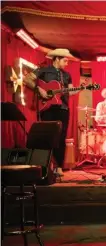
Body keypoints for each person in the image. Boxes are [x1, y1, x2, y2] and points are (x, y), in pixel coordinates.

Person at [23, 48, 80, 177]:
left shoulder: (67, 75)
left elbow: (70, 92)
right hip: (47, 108)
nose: (67, 63)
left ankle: (59, 166)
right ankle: (45, 165)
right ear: (57, 59)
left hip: (63, 108)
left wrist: (82, 88)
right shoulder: (43, 71)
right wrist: (40, 90)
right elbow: (27, 80)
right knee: (47, 136)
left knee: (61, 137)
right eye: (65, 60)